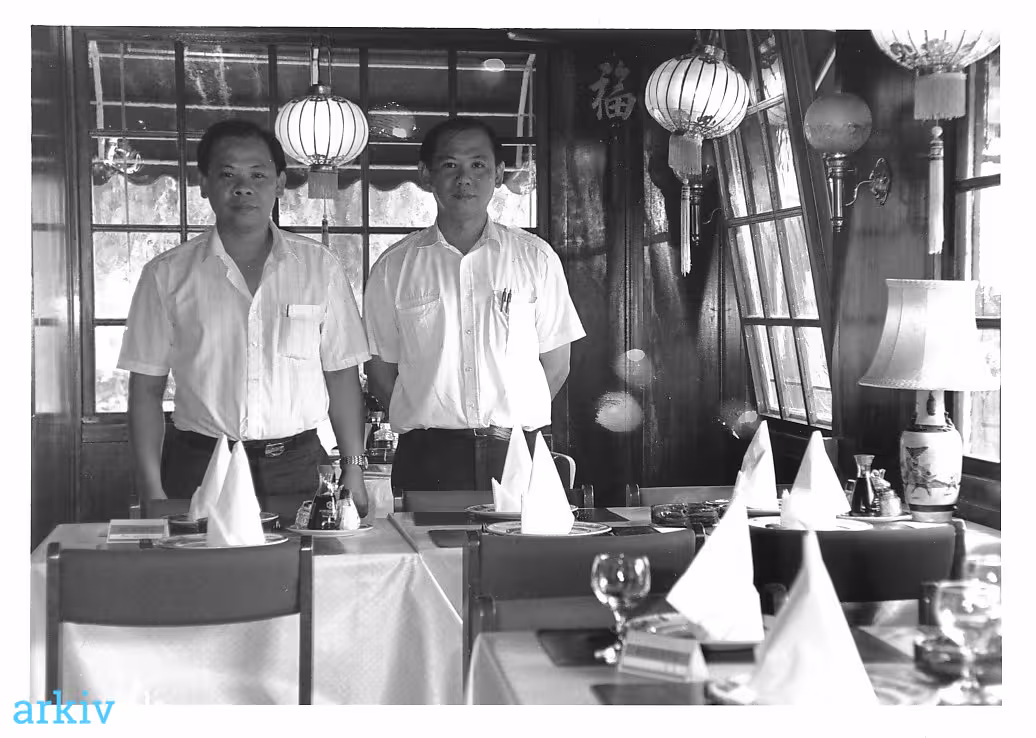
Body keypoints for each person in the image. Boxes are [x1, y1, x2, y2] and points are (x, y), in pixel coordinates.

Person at [118, 118, 371, 514]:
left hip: (297, 466)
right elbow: (146, 390)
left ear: (280, 183)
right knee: (202, 557)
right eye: (227, 174)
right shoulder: (166, 275)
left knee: (306, 556)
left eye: (257, 174)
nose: (243, 187)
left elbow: (341, 376)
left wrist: (353, 467)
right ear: (204, 183)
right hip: (203, 465)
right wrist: (151, 488)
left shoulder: (319, 268)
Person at [364, 116, 585, 492]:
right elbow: (380, 371)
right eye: (450, 165)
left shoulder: (536, 258)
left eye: (478, 165)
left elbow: (556, 364)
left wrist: (508, 423)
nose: (464, 178)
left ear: (498, 174)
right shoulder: (394, 267)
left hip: (516, 451)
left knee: (518, 533)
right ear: (426, 175)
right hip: (428, 455)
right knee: (420, 534)